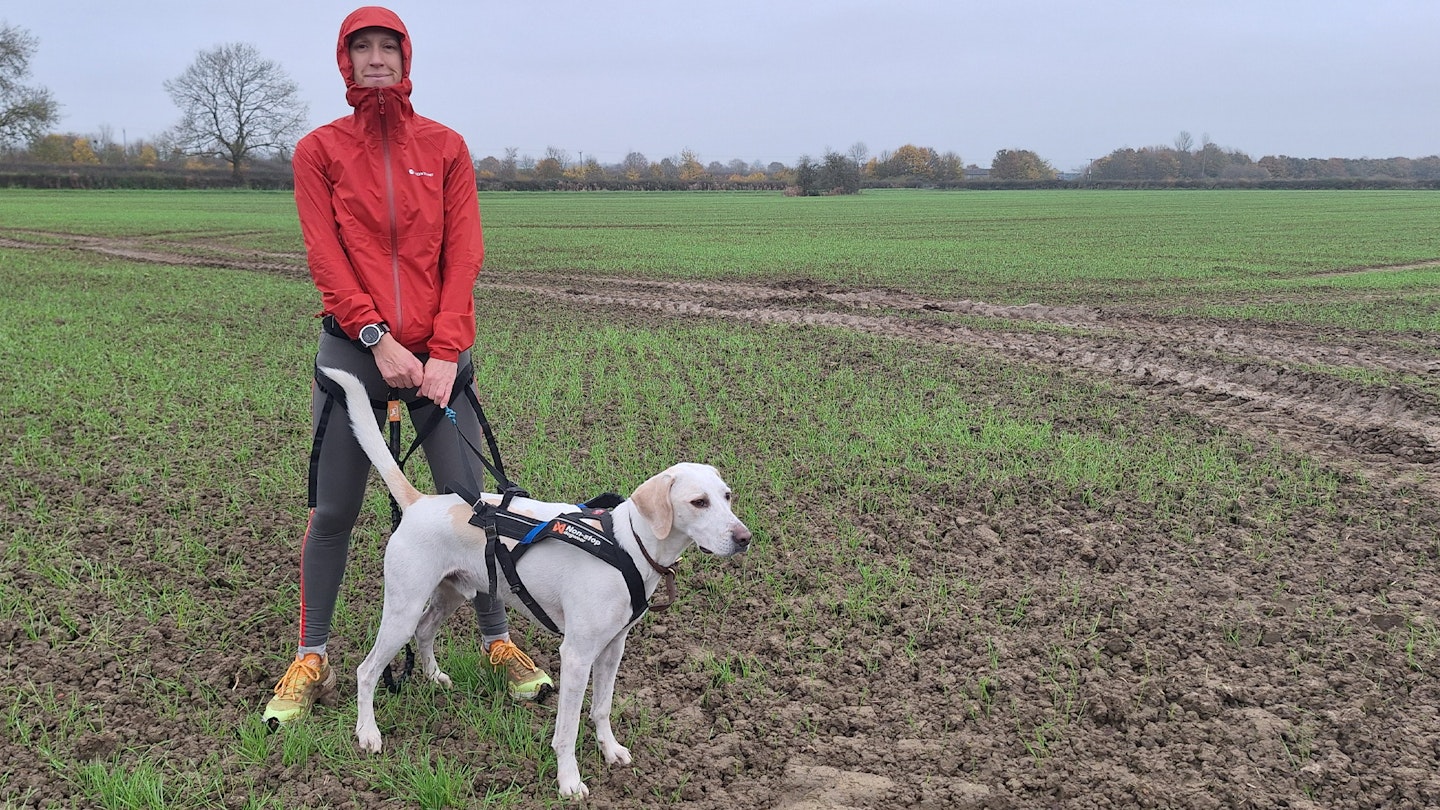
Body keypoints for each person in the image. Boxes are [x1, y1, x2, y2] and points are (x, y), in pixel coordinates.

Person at [264, 5, 552, 725]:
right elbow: (325, 256)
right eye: (360, 48)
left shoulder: (446, 147)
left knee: (470, 506)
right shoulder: (318, 151)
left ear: (406, 55)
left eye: (386, 46)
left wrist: (446, 351)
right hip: (355, 356)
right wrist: (375, 338)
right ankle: (312, 654)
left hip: (439, 364)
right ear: (344, 62)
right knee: (334, 511)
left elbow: (465, 253)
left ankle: (496, 639)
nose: (375, 58)